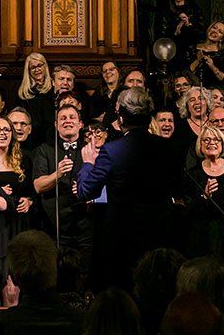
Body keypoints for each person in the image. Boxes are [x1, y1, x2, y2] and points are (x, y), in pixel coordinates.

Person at [77, 88, 182, 288]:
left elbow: (86, 191)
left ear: (122, 118)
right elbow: (177, 188)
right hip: (159, 236)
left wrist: (88, 164)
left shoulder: (112, 150)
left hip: (122, 240)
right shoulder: (168, 147)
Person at [0, 230, 83, 335]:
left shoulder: (0, 327)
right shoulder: (84, 324)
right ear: (55, 268)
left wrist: (10, 309)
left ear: (14, 278)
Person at [33, 104, 92, 263]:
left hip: (85, 226)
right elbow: (38, 186)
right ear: (56, 124)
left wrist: (89, 191)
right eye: (63, 118)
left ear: (80, 124)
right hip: (54, 227)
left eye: (72, 117)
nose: (67, 121)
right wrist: (57, 174)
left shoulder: (91, 149)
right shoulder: (44, 150)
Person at [183, 124, 224, 259]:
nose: (211, 143)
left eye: (216, 139)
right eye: (206, 140)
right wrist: (204, 197)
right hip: (205, 238)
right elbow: (187, 210)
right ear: (200, 145)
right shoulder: (192, 173)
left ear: (222, 143)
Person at [0, 116, 35, 276]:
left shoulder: (24, 159)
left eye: (6, 129)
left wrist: (29, 201)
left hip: (19, 219)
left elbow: (32, 189)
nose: (1, 133)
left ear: (12, 133)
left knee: (18, 268)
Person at [18, 52, 55, 143]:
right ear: (28, 71)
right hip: (31, 137)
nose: (37, 70)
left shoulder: (54, 87)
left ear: (45, 66)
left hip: (51, 135)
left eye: (39, 66)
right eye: (33, 67)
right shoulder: (24, 92)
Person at [189, 20, 224, 89]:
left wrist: (212, 66)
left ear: (222, 38)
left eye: (220, 32)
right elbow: (185, 72)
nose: (215, 31)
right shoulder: (193, 48)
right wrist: (197, 61)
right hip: (193, 90)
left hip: (213, 92)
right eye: (214, 28)